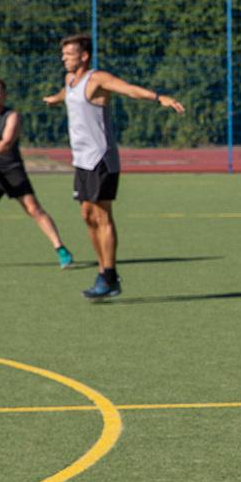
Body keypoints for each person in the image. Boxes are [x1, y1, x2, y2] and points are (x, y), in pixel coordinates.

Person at [43, 33, 184, 299]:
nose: (64, 57)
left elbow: (128, 89)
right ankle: (103, 271)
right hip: (81, 161)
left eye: (69, 53)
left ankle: (109, 274)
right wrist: (56, 98)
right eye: (63, 54)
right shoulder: (69, 79)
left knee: (102, 215)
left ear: (84, 56)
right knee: (87, 215)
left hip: (101, 158)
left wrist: (159, 97)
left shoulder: (97, 79)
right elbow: (67, 92)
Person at [0, 77, 73, 270]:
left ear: (4, 96)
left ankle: (61, 249)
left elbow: (6, 143)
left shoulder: (12, 115)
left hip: (11, 169)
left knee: (33, 209)